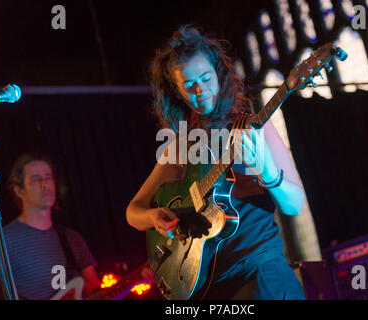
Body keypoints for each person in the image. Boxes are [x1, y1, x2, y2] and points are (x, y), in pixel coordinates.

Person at [126, 25, 306, 300]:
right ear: (176, 91)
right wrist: (153, 217)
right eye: (188, 84)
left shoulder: (252, 129)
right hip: (205, 288)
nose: (200, 89)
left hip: (260, 276)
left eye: (206, 77)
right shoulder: (182, 146)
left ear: (220, 76)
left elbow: (294, 206)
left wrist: (268, 173)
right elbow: (133, 212)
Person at [0, 153, 100, 300]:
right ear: (18, 190)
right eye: (36, 178)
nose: (45, 184)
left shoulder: (72, 239)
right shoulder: (3, 241)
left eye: (48, 177)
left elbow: (95, 290)